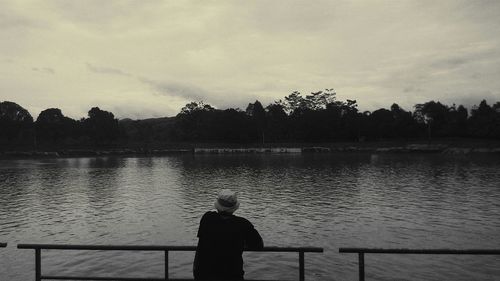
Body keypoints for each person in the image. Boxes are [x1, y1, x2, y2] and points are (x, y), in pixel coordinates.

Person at [193, 189, 264, 280]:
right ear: (234, 207)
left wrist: (196, 271)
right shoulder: (243, 224)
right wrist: (241, 243)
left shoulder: (207, 218)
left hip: (204, 274)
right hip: (233, 274)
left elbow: (200, 246)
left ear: (218, 205)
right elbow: (259, 245)